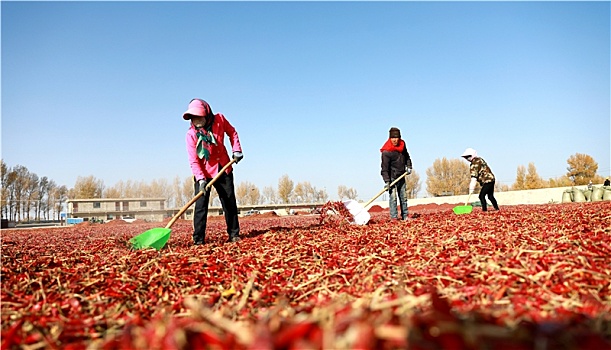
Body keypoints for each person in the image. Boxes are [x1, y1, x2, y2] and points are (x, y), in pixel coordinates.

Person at [183, 98, 243, 245]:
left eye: (199, 116)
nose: (196, 120)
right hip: (203, 173)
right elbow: (194, 160)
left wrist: (237, 149)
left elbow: (232, 132)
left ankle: (234, 234)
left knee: (229, 202)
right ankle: (198, 239)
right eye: (193, 117)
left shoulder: (219, 120)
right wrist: (201, 179)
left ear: (207, 114)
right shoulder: (191, 135)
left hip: (223, 168)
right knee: (201, 206)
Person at [381, 127, 413, 220]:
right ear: (390, 138)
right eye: (393, 138)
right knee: (393, 198)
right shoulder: (386, 151)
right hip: (392, 177)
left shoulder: (402, 145)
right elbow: (384, 168)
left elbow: (406, 156)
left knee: (403, 197)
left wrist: (409, 165)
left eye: (397, 138)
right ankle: (394, 217)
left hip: (401, 174)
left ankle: (405, 215)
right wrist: (387, 181)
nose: (395, 140)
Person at [461, 148, 499, 212]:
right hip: (491, 179)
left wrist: (471, 188)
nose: (467, 159)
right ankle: (497, 209)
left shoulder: (474, 164)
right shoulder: (479, 159)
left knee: (481, 196)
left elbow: (474, 177)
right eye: (466, 157)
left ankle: (484, 210)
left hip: (487, 180)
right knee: (490, 196)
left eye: (468, 157)